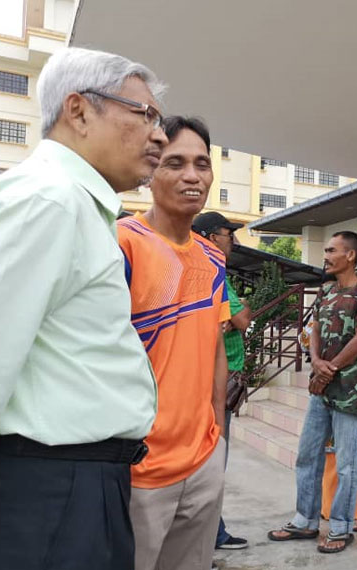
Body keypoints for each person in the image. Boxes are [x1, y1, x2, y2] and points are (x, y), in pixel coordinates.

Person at [0, 47, 165, 570]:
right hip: (42, 498)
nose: (159, 135)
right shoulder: (45, 201)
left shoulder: (74, 205)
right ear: (78, 110)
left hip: (76, 491)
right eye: (145, 115)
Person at [118, 117, 230, 570]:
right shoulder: (122, 244)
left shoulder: (213, 256)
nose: (192, 175)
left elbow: (216, 346)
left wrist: (217, 434)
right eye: (175, 163)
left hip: (203, 461)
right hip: (138, 470)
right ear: (150, 173)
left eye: (202, 164)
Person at [267, 231, 357, 554]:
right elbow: (313, 329)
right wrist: (316, 362)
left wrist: (329, 368)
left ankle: (342, 527)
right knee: (308, 453)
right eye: (326, 249)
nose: (326, 255)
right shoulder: (327, 292)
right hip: (322, 389)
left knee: (346, 462)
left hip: (349, 391)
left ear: (351, 256)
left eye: (332, 250)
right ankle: (305, 519)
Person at [193, 211, 252, 551]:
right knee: (213, 459)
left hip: (213, 379)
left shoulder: (203, 267)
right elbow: (243, 319)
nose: (234, 241)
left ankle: (210, 532)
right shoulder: (210, 269)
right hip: (215, 382)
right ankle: (207, 537)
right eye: (230, 234)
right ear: (214, 237)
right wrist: (235, 312)